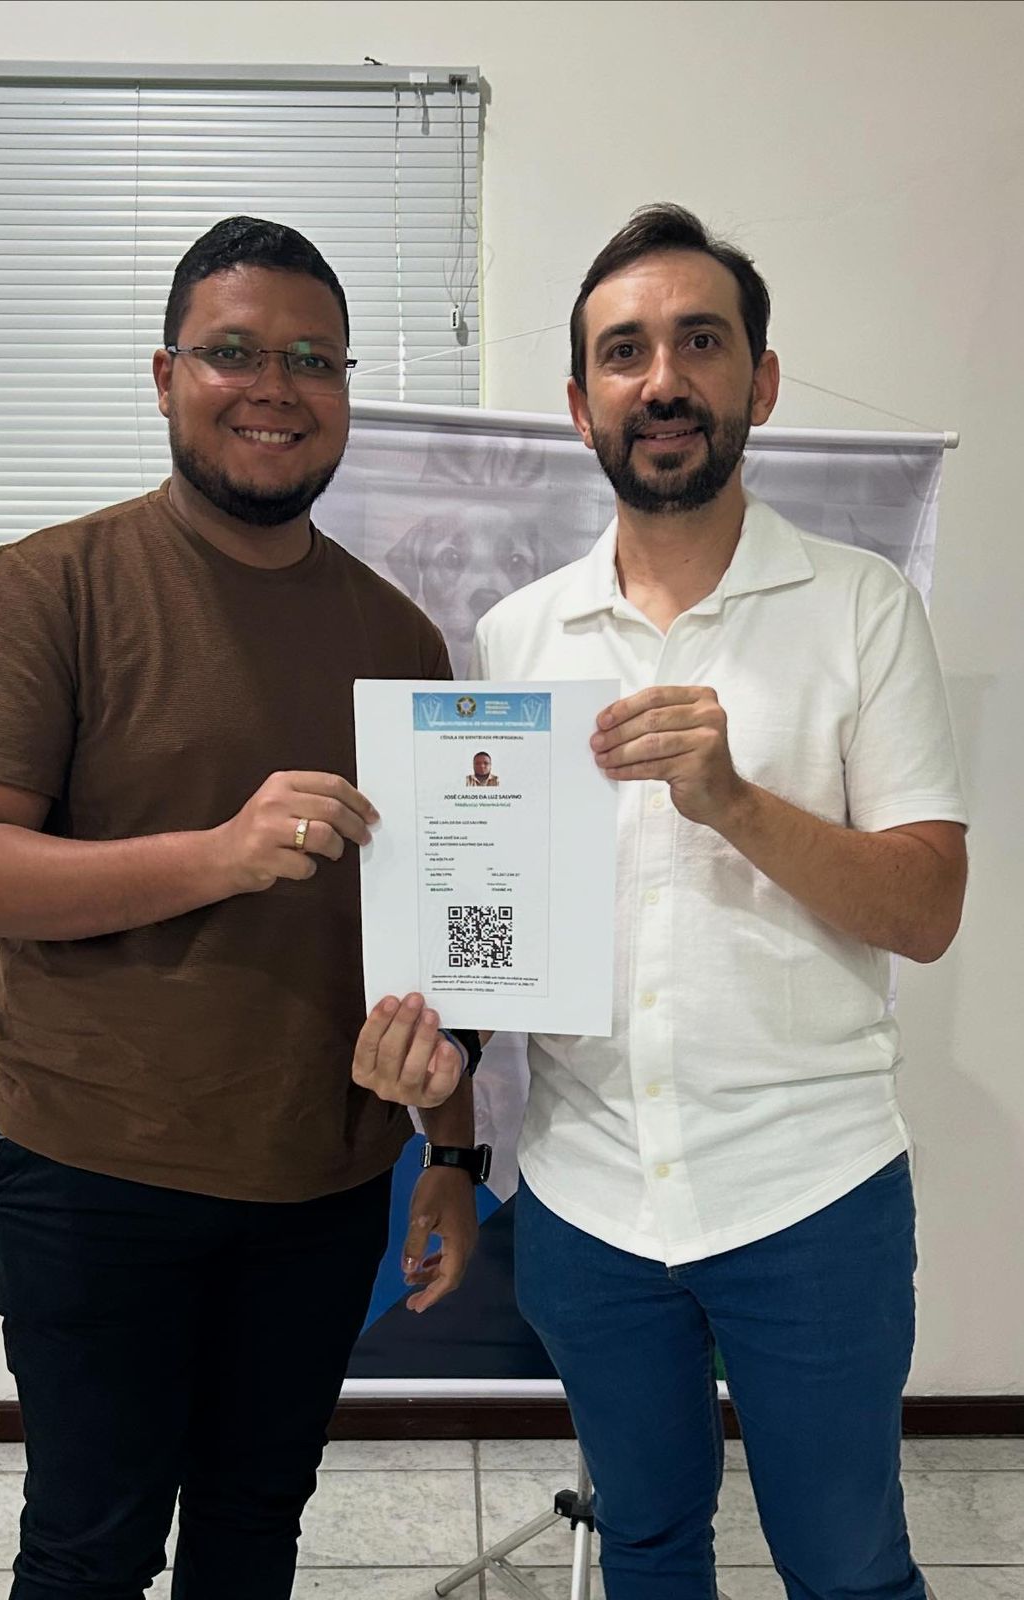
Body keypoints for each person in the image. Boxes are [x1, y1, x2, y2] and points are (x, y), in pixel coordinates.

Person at [355, 204, 968, 1600]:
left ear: (761, 379)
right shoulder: (518, 635)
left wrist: (736, 800)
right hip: (590, 1198)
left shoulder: (862, 607)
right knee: (643, 1542)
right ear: (581, 406)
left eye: (701, 341)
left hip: (810, 1191)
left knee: (850, 1566)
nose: (664, 379)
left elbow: (928, 908)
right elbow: (495, 936)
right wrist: (441, 1089)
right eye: (624, 352)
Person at [0, 215, 479, 1600]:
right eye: (234, 353)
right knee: (90, 1546)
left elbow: (443, 926)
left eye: (313, 359)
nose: (275, 387)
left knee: (253, 1530)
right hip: (92, 1171)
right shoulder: (51, 586)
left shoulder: (402, 639)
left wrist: (453, 1151)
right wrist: (216, 855)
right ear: (167, 376)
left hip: (321, 1182)